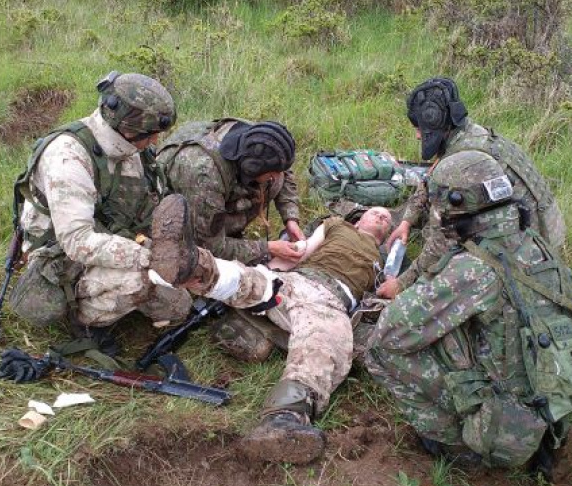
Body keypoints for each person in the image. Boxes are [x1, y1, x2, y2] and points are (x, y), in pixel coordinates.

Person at [364, 150, 572, 476]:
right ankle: (543, 437)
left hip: (506, 428)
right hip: (554, 403)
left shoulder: (475, 268)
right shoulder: (536, 244)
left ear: (455, 205)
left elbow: (392, 331)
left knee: (380, 349)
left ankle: (459, 445)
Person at [146, 194, 393, 465]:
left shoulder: (383, 261)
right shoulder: (337, 225)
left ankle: (282, 420)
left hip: (331, 300)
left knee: (325, 340)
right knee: (252, 282)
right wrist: (268, 270)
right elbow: (302, 251)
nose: (382, 216)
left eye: (387, 218)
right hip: (299, 280)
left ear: (387, 234)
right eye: (376, 212)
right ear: (359, 219)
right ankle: (190, 264)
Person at [9, 71, 191, 340]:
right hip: (63, 255)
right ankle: (84, 316)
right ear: (128, 129)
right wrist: (148, 257)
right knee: (146, 284)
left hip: (110, 233)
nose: (155, 142)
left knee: (178, 304)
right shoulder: (68, 159)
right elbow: (76, 241)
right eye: (151, 135)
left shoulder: (129, 147)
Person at [378, 76, 566, 300]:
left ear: (433, 123)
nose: (418, 135)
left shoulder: (460, 165)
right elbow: (429, 179)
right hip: (544, 240)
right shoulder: (472, 136)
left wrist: (401, 284)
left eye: (419, 128)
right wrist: (407, 221)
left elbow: (440, 243)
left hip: (528, 263)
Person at [157, 118, 306, 266]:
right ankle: (229, 238)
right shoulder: (206, 176)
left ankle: (233, 238)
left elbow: (284, 171)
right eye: (272, 174)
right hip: (180, 201)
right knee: (202, 250)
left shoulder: (259, 140)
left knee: (275, 183)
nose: (277, 177)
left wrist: (291, 218)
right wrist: (267, 248)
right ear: (253, 168)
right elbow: (210, 247)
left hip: (205, 187)